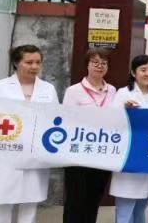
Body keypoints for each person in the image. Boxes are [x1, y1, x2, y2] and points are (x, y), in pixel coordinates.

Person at [0, 45, 58, 223]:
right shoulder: (1, 87)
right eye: (29, 62)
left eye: (38, 62)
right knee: (3, 202)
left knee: (30, 204)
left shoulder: (48, 89)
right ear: (16, 63)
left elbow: (55, 120)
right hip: (6, 153)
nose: (34, 66)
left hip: (35, 154)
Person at [62, 48, 117, 223]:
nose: (100, 66)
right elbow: (67, 120)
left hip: (101, 153)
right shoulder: (74, 91)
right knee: (75, 200)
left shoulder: (112, 91)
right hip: (78, 154)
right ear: (87, 65)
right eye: (95, 62)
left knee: (93, 200)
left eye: (104, 63)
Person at [109, 55, 148, 223]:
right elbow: (111, 121)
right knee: (125, 210)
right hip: (128, 156)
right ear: (133, 72)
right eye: (143, 70)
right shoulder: (123, 93)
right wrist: (124, 109)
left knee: (141, 208)